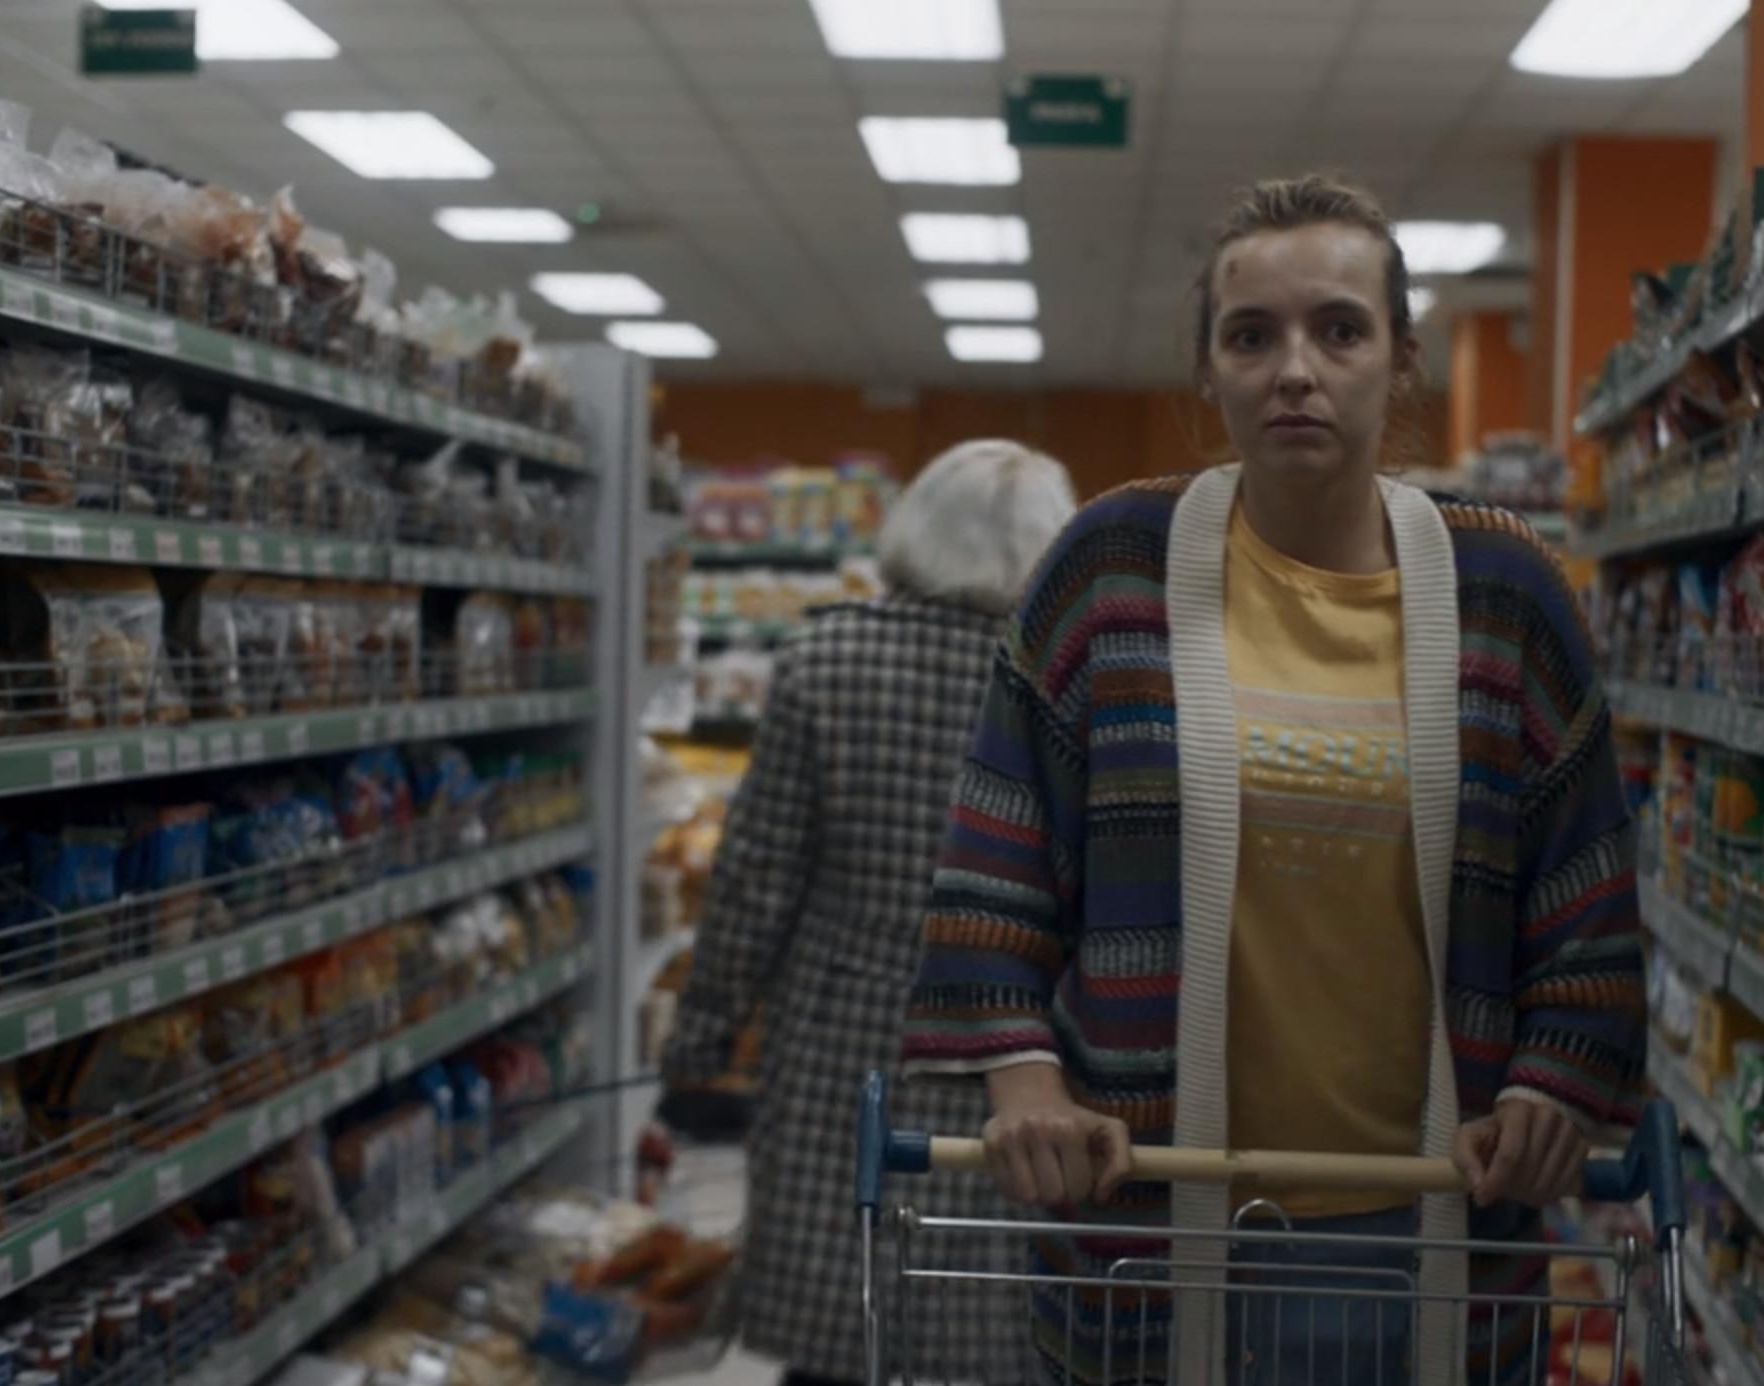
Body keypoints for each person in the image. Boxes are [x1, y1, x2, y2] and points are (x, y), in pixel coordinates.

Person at [900, 173, 1646, 1386]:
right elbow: (1000, 857)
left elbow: (1587, 898)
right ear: (1209, 369)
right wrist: (1026, 1086)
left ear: (1402, 359)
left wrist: (1556, 1084)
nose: (1295, 370)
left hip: (1438, 1224)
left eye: (1340, 330)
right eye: (1252, 336)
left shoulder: (1506, 595)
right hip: (1150, 1225)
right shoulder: (1110, 570)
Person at [661, 439, 1081, 1386]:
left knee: (840, 1313)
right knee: (985, 1321)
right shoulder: (1068, 683)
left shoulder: (825, 660)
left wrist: (701, 1038)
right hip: (1012, 1054)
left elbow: (755, 879)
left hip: (840, 1050)